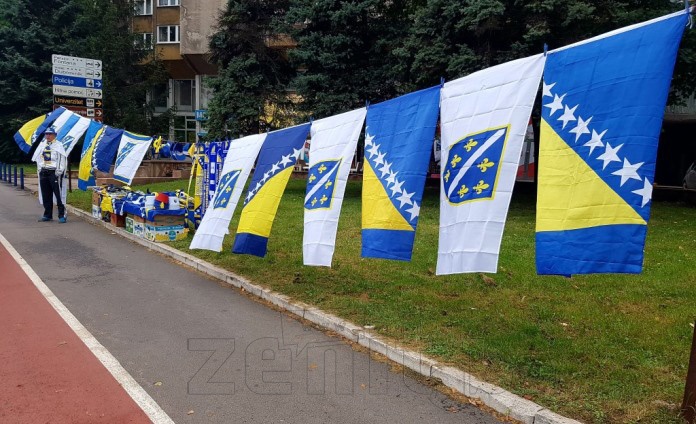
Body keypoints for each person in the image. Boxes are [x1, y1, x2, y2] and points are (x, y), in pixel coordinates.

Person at [32, 126, 67, 223]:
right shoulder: (42, 145)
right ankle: (47, 214)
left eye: (50, 134)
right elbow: (39, 157)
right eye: (46, 134)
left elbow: (61, 159)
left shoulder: (58, 146)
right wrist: (40, 169)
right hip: (44, 171)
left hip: (53, 172)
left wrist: (58, 171)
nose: (47, 136)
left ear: (54, 135)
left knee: (58, 194)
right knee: (46, 194)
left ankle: (61, 214)